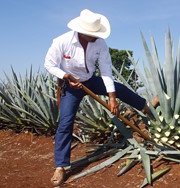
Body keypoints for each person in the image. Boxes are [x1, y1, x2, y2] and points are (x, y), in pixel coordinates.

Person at [44, 9, 151, 187]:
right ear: (82, 31)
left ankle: (146, 108)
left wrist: (112, 98)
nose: (96, 36)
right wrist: (66, 77)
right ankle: (61, 166)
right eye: (93, 34)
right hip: (70, 86)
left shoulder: (100, 44)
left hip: (90, 81)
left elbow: (106, 71)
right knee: (65, 122)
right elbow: (49, 64)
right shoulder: (62, 41)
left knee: (120, 89)